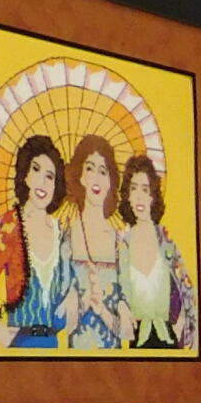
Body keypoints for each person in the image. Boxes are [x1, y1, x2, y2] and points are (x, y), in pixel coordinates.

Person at [0, 134, 75, 349]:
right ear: (25, 175)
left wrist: (72, 298)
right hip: (22, 342)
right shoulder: (11, 226)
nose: (42, 182)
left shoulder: (60, 231)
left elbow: (65, 292)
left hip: (53, 343)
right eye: (35, 170)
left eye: (50, 176)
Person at [115, 154, 198, 352]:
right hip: (135, 343)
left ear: (153, 196)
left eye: (145, 189)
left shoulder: (166, 244)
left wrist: (183, 321)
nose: (139, 197)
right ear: (127, 195)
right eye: (133, 189)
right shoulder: (121, 245)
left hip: (170, 340)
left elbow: (187, 290)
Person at [64, 135, 126, 349]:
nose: (96, 179)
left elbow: (127, 331)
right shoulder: (66, 237)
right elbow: (61, 322)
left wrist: (103, 310)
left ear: (111, 181)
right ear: (79, 175)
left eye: (103, 171)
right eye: (90, 169)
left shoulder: (120, 243)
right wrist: (79, 303)